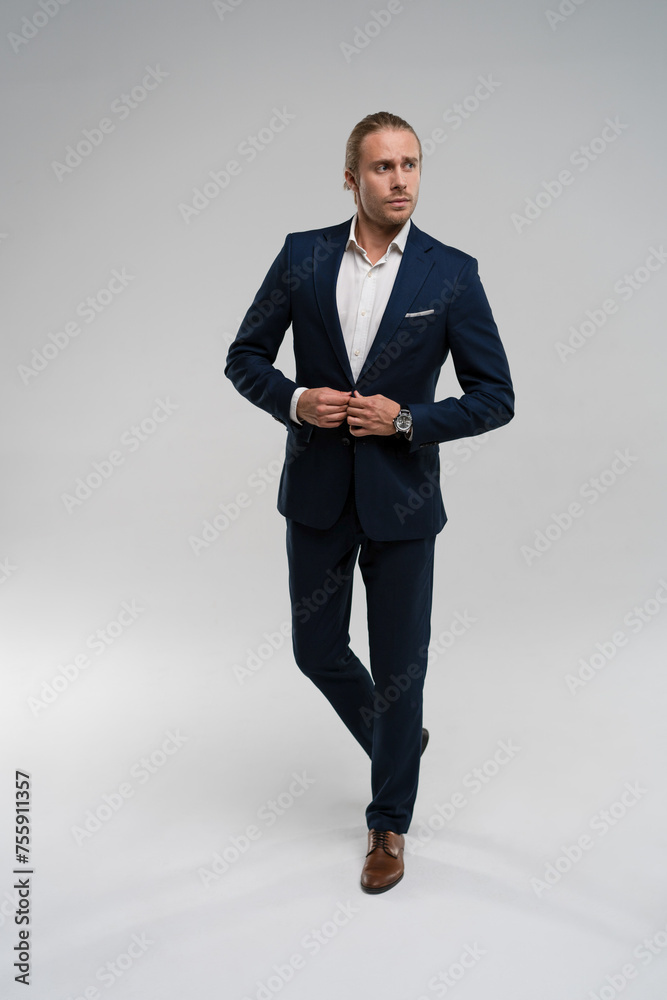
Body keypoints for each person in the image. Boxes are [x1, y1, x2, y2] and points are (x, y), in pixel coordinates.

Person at [225, 111, 514, 893]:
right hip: (316, 494)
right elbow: (244, 356)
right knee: (315, 649)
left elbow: (495, 397)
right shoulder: (302, 256)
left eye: (410, 164)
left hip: (403, 503)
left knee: (398, 670)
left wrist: (407, 420)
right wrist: (295, 402)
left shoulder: (452, 273)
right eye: (383, 167)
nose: (400, 180)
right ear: (351, 178)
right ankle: (399, 744)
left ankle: (388, 823)